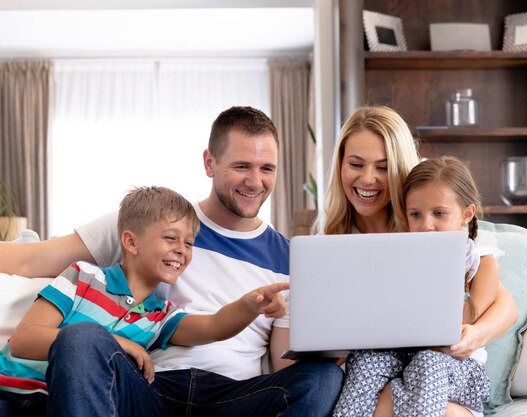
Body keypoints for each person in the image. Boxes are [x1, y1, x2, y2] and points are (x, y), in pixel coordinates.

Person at [0, 106, 343, 416]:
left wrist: (300, 326)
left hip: (232, 398)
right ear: (210, 162)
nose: (255, 182)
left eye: (267, 168)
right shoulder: (150, 221)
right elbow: (33, 260)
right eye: (242, 166)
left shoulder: (291, 259)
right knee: (82, 337)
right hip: (150, 388)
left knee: (323, 377)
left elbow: (254, 349)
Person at [0, 186, 290, 416]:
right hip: (10, 394)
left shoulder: (159, 317)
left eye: (189, 243)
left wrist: (250, 306)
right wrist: (118, 343)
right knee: (83, 337)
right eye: (170, 238)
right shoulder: (83, 276)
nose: (181, 250)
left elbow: (214, 326)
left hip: (57, 404)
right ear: (131, 242)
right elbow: (25, 340)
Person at [314, 105, 517, 417]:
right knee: (367, 363)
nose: (368, 179)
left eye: (382, 167)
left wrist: (473, 335)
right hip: (387, 361)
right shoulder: (334, 241)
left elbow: (501, 305)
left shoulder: (443, 238)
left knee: (424, 367)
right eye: (356, 164)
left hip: (444, 363)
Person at [333, 156, 499, 417]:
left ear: (466, 214)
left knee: (426, 361)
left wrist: (445, 264)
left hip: (457, 367)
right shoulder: (400, 254)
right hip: (401, 360)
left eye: (439, 213)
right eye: (416, 215)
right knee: (366, 362)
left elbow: (462, 324)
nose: (426, 225)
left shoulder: (481, 261)